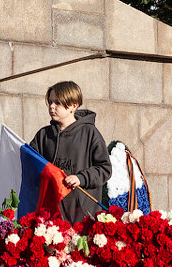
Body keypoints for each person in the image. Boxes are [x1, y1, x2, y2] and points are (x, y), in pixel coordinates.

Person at [28, 81, 111, 223]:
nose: (52, 106)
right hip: (51, 215)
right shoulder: (43, 135)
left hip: (82, 217)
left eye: (57, 103)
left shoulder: (90, 133)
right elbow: (31, 165)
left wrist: (81, 178)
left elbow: (104, 169)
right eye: (50, 102)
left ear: (73, 105)